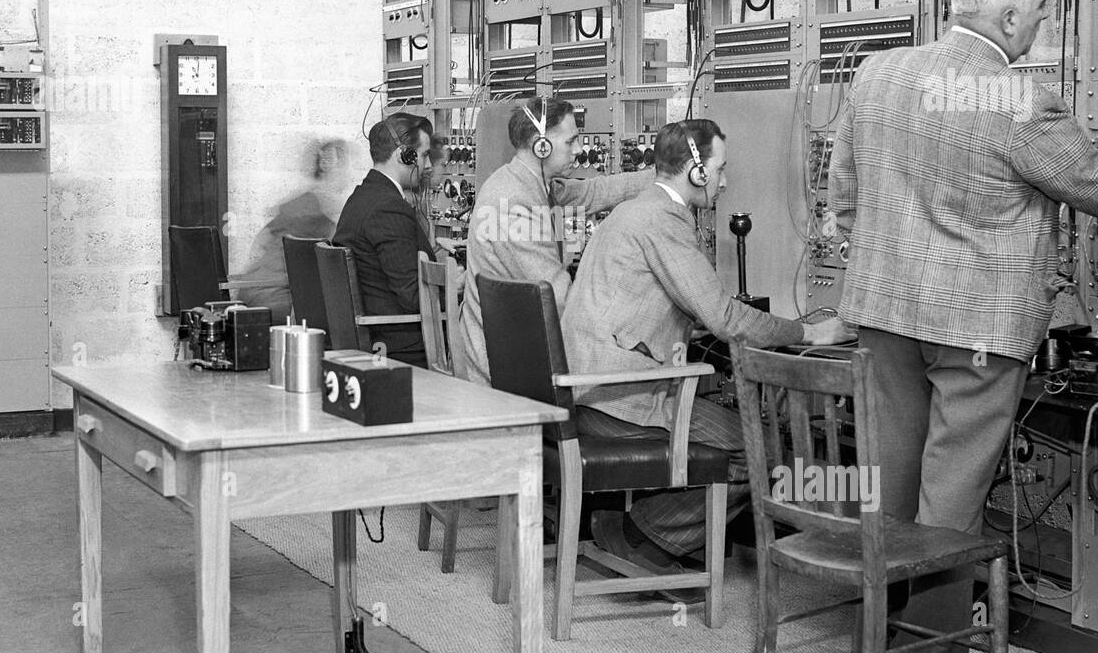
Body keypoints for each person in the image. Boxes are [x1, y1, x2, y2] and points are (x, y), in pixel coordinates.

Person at [829, 0, 1098, 653]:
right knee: (949, 501)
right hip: (977, 335)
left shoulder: (878, 75)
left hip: (883, 318)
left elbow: (845, 202)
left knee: (889, 485)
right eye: (1045, 9)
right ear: (1012, 15)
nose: (1046, 23)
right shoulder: (1020, 101)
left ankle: (879, 643)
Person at [561, 119, 851, 572]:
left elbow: (655, 304)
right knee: (757, 450)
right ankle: (641, 537)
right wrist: (809, 333)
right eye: (720, 168)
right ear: (696, 172)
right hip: (617, 398)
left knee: (731, 422)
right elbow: (725, 317)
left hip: (590, 384)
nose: (724, 179)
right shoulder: (662, 219)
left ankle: (649, 531)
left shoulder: (636, 210)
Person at [455, 97, 650, 386]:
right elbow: (559, 299)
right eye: (571, 142)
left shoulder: (528, 184)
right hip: (503, 369)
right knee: (644, 372)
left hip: (517, 347)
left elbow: (595, 192)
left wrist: (666, 176)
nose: (579, 149)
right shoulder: (512, 203)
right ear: (541, 145)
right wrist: (629, 329)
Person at [332, 113, 435, 367]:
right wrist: (457, 286)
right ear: (405, 155)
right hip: (403, 346)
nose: (428, 165)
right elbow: (413, 296)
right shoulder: (388, 208)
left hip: (377, 337)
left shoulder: (361, 197)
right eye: (423, 155)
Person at [236, 138, 357, 319]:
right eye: (347, 165)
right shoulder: (322, 208)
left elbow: (260, 241)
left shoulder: (303, 202)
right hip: (277, 303)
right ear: (328, 166)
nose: (350, 173)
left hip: (253, 293)